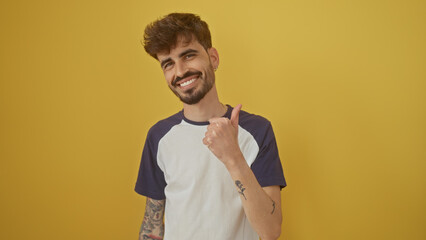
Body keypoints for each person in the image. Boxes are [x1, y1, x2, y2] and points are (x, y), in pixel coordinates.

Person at [135, 13, 286, 240]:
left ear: (213, 58)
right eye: (168, 64)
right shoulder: (158, 136)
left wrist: (233, 156)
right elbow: (152, 224)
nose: (180, 71)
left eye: (188, 55)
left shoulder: (257, 130)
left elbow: (271, 230)